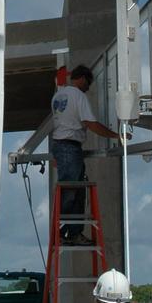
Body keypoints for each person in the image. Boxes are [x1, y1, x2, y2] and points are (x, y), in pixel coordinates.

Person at [51, 65, 119, 243]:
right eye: (88, 83)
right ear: (81, 78)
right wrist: (115, 136)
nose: (88, 88)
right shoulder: (78, 96)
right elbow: (90, 123)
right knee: (72, 192)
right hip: (69, 146)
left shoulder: (59, 95)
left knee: (73, 191)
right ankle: (65, 232)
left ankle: (69, 232)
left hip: (61, 145)